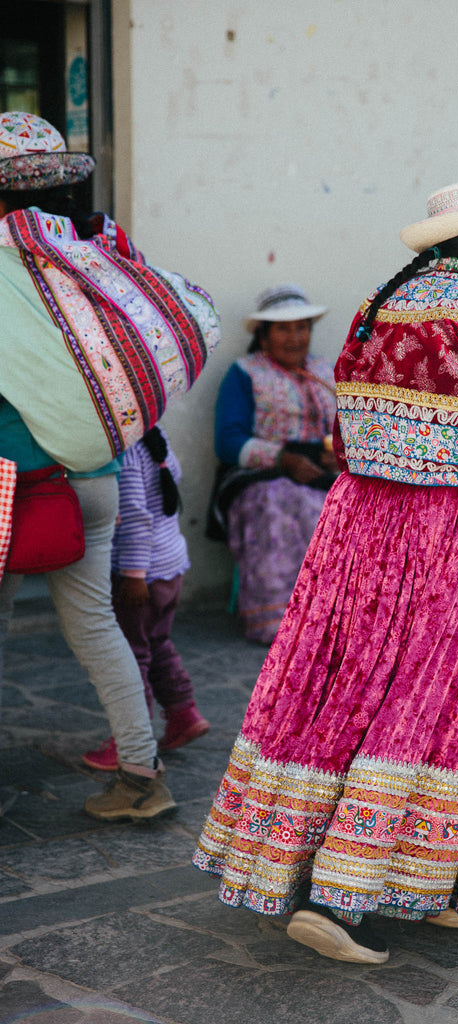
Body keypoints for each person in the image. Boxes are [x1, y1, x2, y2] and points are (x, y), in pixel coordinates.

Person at [194, 168, 458, 964]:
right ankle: (348, 898)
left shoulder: (379, 310)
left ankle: (351, 875)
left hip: (363, 528)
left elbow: (343, 436)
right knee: (447, 701)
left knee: (353, 689)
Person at [0, 111, 219, 822]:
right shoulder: (96, 252)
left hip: (13, 481)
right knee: (96, 626)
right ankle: (141, 778)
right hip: (94, 476)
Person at [210, 284, 338, 644]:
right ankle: (278, 620)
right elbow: (227, 441)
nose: (295, 337)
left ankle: (339, 619)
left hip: (322, 471)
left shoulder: (326, 371)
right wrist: (283, 459)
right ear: (264, 335)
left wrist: (338, 454)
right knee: (281, 500)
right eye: (283, 328)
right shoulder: (245, 373)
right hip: (259, 474)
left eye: (302, 327)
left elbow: (348, 428)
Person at [82, 426, 210, 772]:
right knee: (156, 641)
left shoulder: (127, 452)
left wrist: (133, 576)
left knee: (131, 654)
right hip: (169, 567)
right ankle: (183, 713)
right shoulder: (156, 437)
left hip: (141, 575)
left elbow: (136, 517)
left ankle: (129, 741)